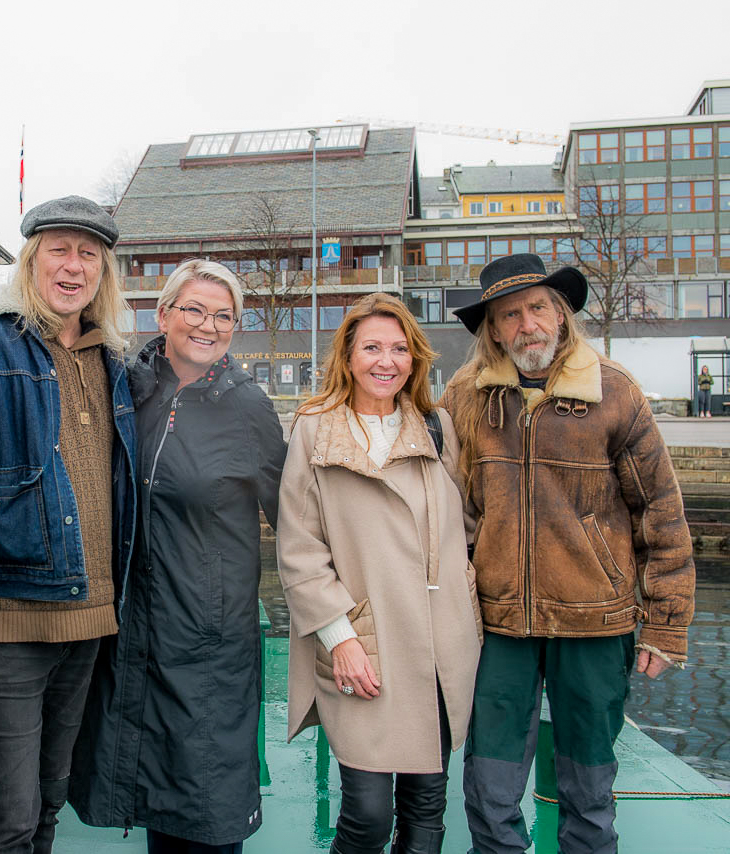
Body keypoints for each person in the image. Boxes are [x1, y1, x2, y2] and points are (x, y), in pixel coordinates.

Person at [440, 253, 695, 854]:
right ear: (493, 330)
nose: (526, 325)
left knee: (589, 784)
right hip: (497, 619)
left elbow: (661, 512)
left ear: (560, 313)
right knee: (490, 782)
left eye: (537, 308)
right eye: (509, 315)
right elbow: (443, 503)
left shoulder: (614, 392)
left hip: (596, 618)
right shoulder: (465, 396)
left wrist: (667, 626)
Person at [0, 195, 137, 854]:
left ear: (104, 271)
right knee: (10, 818)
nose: (73, 266)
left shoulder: (112, 359)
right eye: (60, 250)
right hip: (7, 622)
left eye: (89, 254)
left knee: (51, 802)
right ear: (32, 259)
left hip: (90, 620)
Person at [69, 260, 286, 853]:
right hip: (131, 639)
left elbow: (298, 518)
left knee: (210, 820)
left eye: (223, 315)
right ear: (162, 315)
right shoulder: (126, 390)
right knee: (158, 813)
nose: (207, 325)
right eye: (193, 309)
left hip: (208, 649)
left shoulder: (248, 410)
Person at [277, 293, 482, 854]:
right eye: (371, 347)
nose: (385, 361)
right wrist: (340, 638)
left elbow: (463, 526)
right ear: (347, 355)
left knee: (426, 815)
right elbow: (300, 547)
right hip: (363, 644)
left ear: (415, 358)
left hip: (439, 648)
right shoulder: (316, 431)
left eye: (399, 349)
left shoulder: (437, 427)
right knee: (367, 815)